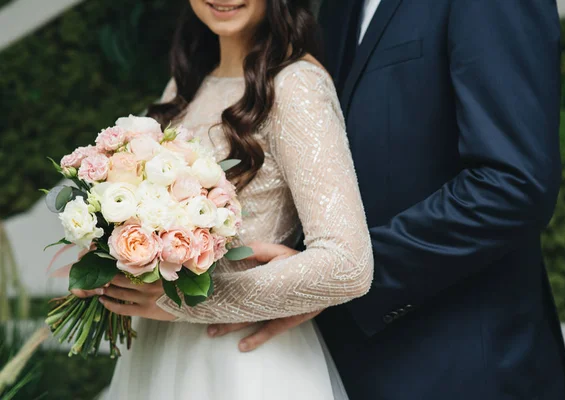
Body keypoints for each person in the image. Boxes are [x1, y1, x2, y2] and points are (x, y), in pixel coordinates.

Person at [209, 0, 565, 399]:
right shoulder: (338, 8)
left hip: (465, 367)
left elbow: (512, 184)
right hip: (339, 365)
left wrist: (336, 275)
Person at [72, 1, 372, 399]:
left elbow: (347, 264)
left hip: (241, 361)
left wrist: (193, 303)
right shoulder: (186, 87)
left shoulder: (296, 83)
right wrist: (112, 259)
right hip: (157, 354)